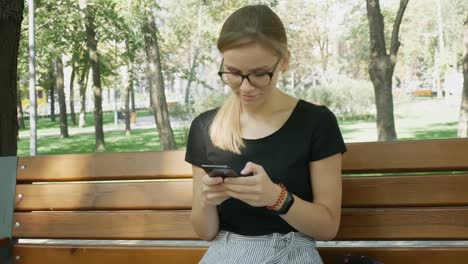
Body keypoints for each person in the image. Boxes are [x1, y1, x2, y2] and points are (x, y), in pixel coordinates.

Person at [185, 4, 347, 264]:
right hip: (224, 252)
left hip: (291, 252)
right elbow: (206, 232)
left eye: (260, 74)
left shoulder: (316, 122)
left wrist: (276, 198)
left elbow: (327, 228)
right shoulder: (206, 127)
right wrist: (206, 200)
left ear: (284, 61)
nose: (245, 87)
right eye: (234, 73)